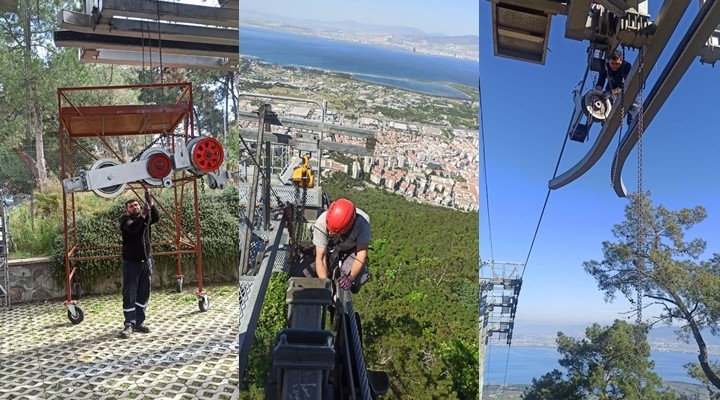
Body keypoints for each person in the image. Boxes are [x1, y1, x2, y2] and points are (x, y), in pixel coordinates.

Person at [299, 198, 371, 293]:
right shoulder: (321, 222)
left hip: (351, 250)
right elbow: (321, 257)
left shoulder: (362, 222)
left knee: (361, 277)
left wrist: (351, 278)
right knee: (300, 272)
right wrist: (325, 286)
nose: (330, 232)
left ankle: (354, 283)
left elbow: (361, 253)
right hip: (329, 248)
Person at [118, 190, 159, 339]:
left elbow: (156, 218)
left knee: (143, 293)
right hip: (131, 264)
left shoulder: (145, 218)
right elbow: (134, 229)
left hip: (145, 263)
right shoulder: (125, 221)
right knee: (129, 294)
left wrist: (151, 204)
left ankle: (139, 322)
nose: (135, 207)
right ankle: (129, 324)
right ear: (127, 210)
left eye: (136, 205)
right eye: (131, 206)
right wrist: (143, 215)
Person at [595, 49, 639, 126]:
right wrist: (597, 92)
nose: (614, 66)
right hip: (611, 86)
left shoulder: (627, 66)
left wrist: (611, 92)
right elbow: (601, 81)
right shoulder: (605, 66)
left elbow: (625, 85)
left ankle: (632, 124)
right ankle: (606, 122)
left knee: (633, 101)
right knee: (606, 101)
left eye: (617, 64)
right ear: (609, 61)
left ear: (621, 62)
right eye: (612, 63)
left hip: (624, 86)